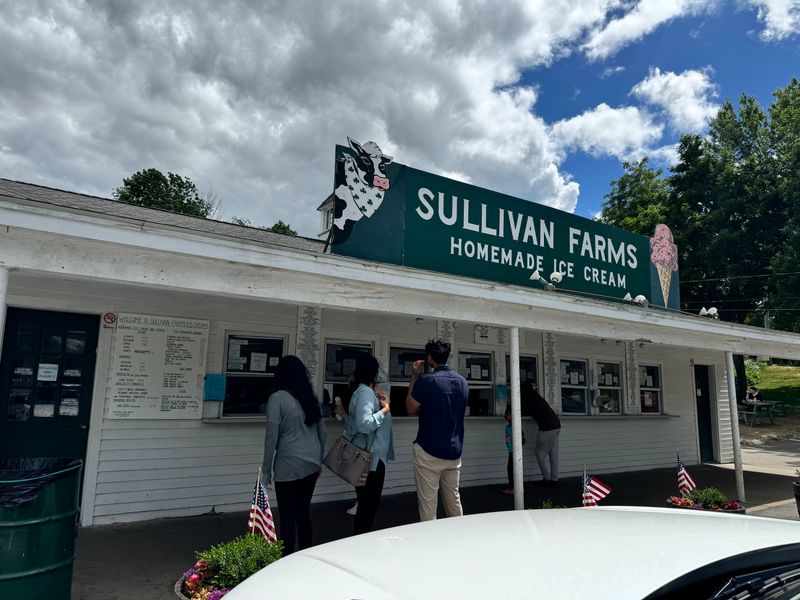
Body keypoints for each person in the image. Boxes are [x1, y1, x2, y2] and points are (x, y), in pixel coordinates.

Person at [262, 356, 326, 555]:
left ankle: (287, 558)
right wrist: (319, 461)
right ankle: (306, 554)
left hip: (287, 466)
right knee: (303, 513)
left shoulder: (277, 399)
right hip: (311, 464)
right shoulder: (310, 398)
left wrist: (266, 472)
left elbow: (271, 438)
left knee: (287, 516)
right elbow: (323, 434)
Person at [406, 338, 469, 521]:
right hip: (453, 451)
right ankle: (460, 534)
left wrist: (414, 376)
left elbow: (410, 408)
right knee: (453, 501)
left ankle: (430, 537)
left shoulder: (426, 380)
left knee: (428, 505)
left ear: (429, 358)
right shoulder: (462, 382)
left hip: (428, 450)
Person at [343, 354, 394, 534]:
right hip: (368, 460)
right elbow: (364, 424)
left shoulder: (364, 391)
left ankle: (360, 539)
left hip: (369, 457)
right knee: (368, 506)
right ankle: (360, 541)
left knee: (366, 505)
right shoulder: (365, 392)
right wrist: (385, 409)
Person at [522, 383, 561, 487]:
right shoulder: (536, 396)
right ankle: (555, 479)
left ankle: (547, 478)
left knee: (540, 454)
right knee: (553, 455)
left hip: (546, 428)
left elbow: (521, 410)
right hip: (556, 425)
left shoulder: (526, 398)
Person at [502, 405, 525, 495]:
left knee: (512, 469)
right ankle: (515, 487)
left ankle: (514, 488)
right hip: (511, 451)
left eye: (508, 414)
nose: (506, 416)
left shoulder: (516, 426)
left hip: (514, 452)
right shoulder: (510, 427)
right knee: (511, 469)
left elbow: (522, 439)